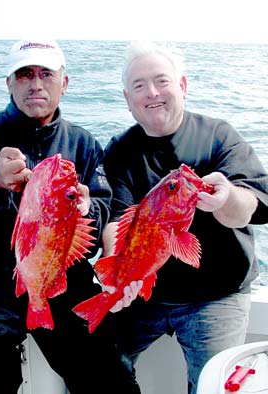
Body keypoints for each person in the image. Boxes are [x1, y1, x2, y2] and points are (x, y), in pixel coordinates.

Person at [0, 38, 140, 394]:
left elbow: (104, 207)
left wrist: (89, 208)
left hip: (62, 276)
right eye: (24, 75)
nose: (36, 84)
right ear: (9, 84)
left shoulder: (84, 144)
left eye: (46, 74)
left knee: (109, 374)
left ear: (64, 83)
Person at [101, 40, 268, 394]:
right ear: (128, 99)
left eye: (162, 80)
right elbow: (117, 221)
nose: (152, 93)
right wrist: (118, 273)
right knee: (92, 362)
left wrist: (226, 200)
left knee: (213, 383)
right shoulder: (119, 152)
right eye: (139, 86)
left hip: (216, 295)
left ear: (183, 85)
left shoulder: (219, 136)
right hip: (145, 295)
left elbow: (255, 205)